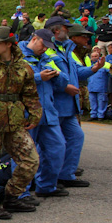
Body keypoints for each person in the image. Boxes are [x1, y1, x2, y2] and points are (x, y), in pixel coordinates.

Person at [0, 28, 42, 220]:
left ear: (9, 44)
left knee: (31, 160)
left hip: (15, 122)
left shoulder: (23, 67)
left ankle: (12, 195)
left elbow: (30, 93)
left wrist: (35, 114)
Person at [45, 17, 104, 189]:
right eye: (66, 28)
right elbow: (47, 74)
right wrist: (64, 88)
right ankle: (45, 178)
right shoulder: (48, 50)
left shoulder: (65, 49)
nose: (68, 31)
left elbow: (76, 71)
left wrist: (93, 69)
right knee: (50, 144)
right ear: (56, 30)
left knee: (75, 137)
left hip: (68, 106)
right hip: (55, 104)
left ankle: (65, 174)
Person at [19, 30, 69, 197]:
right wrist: (39, 77)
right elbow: (14, 80)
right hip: (27, 113)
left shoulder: (47, 58)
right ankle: (21, 193)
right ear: (34, 39)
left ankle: (47, 186)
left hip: (48, 112)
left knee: (57, 148)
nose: (45, 49)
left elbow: (64, 81)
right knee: (24, 154)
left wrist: (57, 75)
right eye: (43, 45)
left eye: (48, 47)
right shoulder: (18, 56)